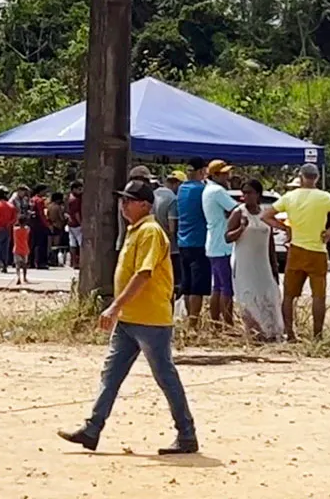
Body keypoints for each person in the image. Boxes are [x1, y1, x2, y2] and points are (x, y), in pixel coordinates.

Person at [58, 179, 197, 455]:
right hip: (129, 319)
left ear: (145, 205)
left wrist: (114, 306)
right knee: (111, 374)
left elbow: (143, 274)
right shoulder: (135, 230)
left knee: (165, 376)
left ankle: (187, 434)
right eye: (123, 200)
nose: (123, 205)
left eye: (129, 200)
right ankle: (92, 428)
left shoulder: (150, 232)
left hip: (151, 319)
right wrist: (120, 309)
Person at [262, 164, 330, 341]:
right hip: (317, 251)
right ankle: (317, 336)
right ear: (317, 178)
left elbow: (266, 216)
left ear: (301, 177)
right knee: (318, 296)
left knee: (289, 295)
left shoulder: (289, 197)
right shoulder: (324, 197)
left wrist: (286, 228)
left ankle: (289, 333)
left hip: (296, 250)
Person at [225, 178, 284, 341]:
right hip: (245, 262)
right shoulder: (239, 212)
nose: (246, 196)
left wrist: (274, 266)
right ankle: (254, 333)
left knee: (269, 295)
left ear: (258, 194)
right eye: (244, 193)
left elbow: (270, 242)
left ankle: (271, 332)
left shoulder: (265, 213)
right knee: (248, 297)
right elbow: (228, 237)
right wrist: (241, 228)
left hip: (262, 263)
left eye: (249, 193)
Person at [201, 161, 239, 328]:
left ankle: (215, 323)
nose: (227, 177)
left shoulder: (208, 190)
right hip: (223, 245)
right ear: (214, 175)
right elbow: (237, 209)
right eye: (223, 174)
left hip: (213, 243)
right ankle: (228, 324)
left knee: (217, 287)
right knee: (226, 287)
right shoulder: (217, 191)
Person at [175, 158, 210, 328]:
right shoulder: (202, 190)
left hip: (183, 241)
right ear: (201, 171)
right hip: (199, 241)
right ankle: (193, 322)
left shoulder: (181, 189)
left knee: (187, 284)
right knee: (198, 286)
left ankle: (190, 319)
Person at [153, 171, 183, 300]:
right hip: (171, 249)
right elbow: (172, 228)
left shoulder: (153, 194)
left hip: (154, 244)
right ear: (177, 183)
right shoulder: (173, 199)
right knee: (172, 283)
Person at [0, 187, 17, 273]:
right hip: (8, 229)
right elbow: (14, 218)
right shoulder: (11, 206)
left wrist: (0, 225)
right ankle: (4, 265)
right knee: (5, 247)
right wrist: (8, 224)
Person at [29, 184, 50, 270]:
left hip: (33, 224)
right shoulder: (39, 201)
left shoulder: (32, 199)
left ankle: (31, 262)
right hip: (40, 224)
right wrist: (46, 224)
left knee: (33, 243)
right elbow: (42, 214)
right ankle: (41, 262)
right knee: (42, 244)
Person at [46, 192, 67, 265]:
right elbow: (61, 217)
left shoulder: (49, 206)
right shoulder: (58, 207)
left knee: (49, 244)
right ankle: (54, 260)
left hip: (50, 225)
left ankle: (48, 259)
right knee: (56, 245)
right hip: (57, 226)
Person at [65, 181, 83, 268]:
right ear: (74, 189)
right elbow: (76, 213)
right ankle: (80, 261)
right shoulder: (75, 200)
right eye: (79, 189)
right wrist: (81, 223)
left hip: (71, 223)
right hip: (76, 224)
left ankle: (73, 262)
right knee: (80, 243)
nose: (81, 191)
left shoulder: (68, 197)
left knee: (72, 243)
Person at [12, 214, 32, 285]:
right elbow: (28, 228)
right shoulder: (27, 229)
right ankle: (24, 277)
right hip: (25, 249)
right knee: (24, 265)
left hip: (17, 249)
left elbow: (14, 225)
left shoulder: (15, 230)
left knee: (17, 265)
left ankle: (18, 277)